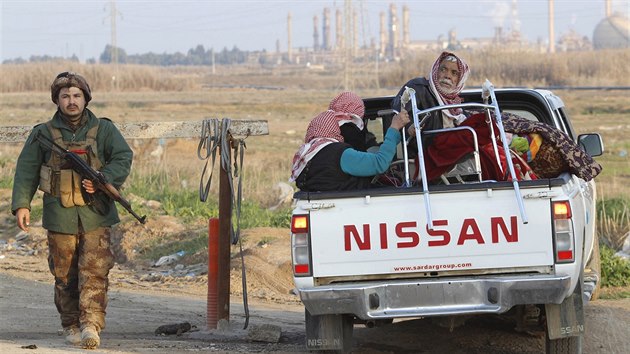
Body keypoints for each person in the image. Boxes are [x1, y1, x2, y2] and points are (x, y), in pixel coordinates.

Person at [11, 72, 134, 349]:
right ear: (57, 100)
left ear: (86, 98)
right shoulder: (42, 133)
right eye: (65, 96)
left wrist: (104, 177)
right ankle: (70, 324)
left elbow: (123, 157)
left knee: (95, 269)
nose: (71, 101)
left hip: (96, 214)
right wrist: (21, 204)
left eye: (77, 96)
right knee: (64, 273)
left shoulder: (104, 130)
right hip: (60, 214)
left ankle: (91, 324)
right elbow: (26, 169)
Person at [290, 92, 410, 191]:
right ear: (334, 128)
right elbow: (381, 163)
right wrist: (394, 128)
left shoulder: (308, 158)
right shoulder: (339, 154)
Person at [392, 51, 470, 133]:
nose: (447, 76)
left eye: (454, 73)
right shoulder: (417, 88)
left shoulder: (455, 101)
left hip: (455, 142)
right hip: (429, 143)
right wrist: (410, 129)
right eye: (443, 69)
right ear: (436, 71)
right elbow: (398, 114)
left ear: (460, 79)